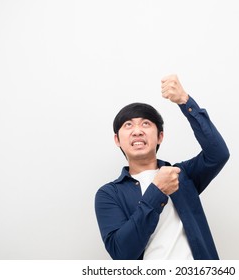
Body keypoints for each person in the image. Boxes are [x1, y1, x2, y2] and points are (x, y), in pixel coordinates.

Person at [95, 74, 230, 260]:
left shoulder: (182, 176)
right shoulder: (109, 194)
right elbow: (122, 254)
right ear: (117, 140)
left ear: (160, 136)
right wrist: (156, 191)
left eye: (146, 123)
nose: (137, 131)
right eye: (128, 125)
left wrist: (185, 101)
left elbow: (218, 154)